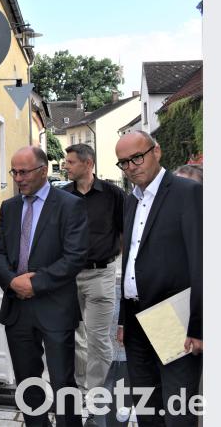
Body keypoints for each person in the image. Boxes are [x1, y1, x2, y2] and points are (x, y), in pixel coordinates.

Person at [0, 146, 89, 427]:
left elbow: (75, 257)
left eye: (24, 172)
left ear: (43, 171)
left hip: (55, 307)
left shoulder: (69, 205)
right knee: (27, 381)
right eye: (14, 172)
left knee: (62, 382)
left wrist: (34, 283)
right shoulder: (9, 207)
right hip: (18, 308)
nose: (18, 178)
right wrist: (12, 281)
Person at [114, 131, 202, 427]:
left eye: (137, 157)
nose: (131, 167)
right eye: (124, 163)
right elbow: (129, 262)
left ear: (157, 152)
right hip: (136, 319)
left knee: (177, 410)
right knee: (146, 409)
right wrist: (123, 319)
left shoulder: (187, 193)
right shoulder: (131, 201)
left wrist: (199, 327)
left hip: (171, 316)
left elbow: (201, 263)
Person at [61, 144, 125, 427]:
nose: (65, 166)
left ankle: (99, 400)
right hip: (69, 276)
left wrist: (115, 260)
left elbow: (124, 232)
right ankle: (79, 391)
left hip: (101, 275)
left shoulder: (113, 195)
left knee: (99, 340)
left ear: (88, 164)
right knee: (75, 337)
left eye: (71, 162)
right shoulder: (63, 195)